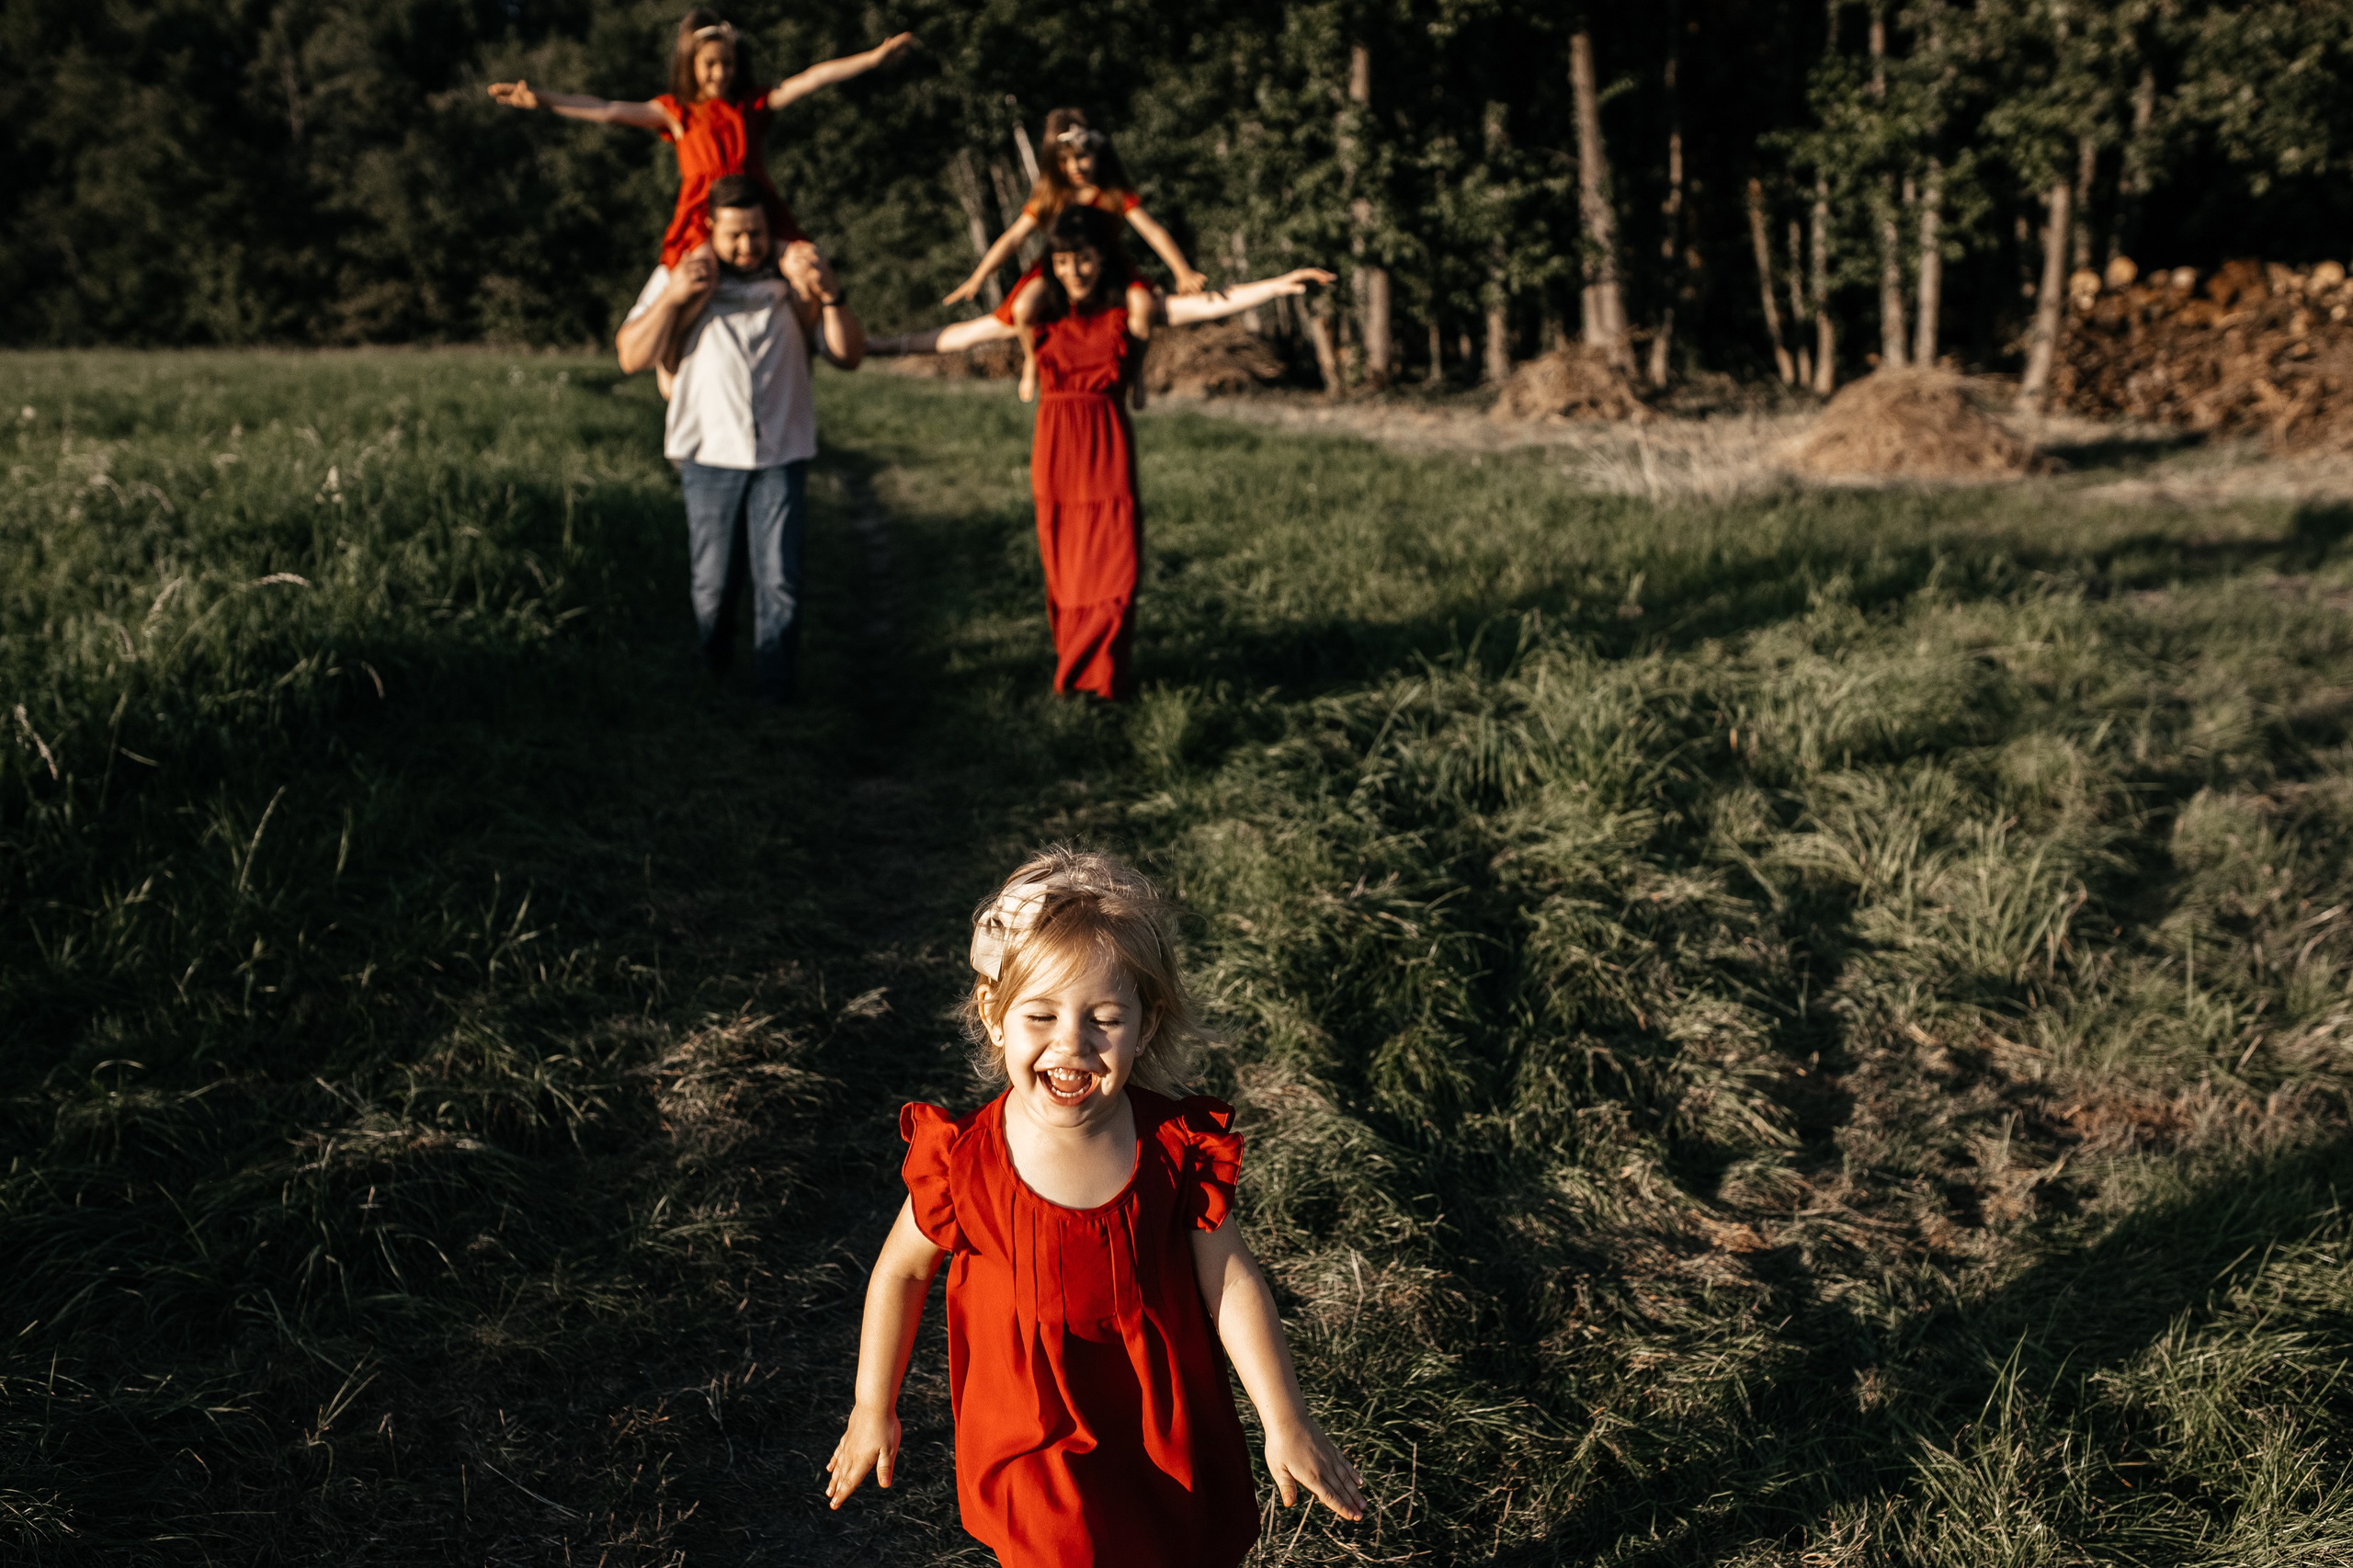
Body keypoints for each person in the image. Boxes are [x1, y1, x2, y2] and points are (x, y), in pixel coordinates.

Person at [824, 847, 1367, 1568]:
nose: (1070, 1044)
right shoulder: (965, 1163)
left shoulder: (1176, 1150)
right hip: (1034, 1438)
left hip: (1161, 1431)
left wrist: (1285, 1417)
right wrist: (872, 1406)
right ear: (995, 1016)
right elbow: (899, 1273)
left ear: (1145, 1025)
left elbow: (1230, 1281)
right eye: (1040, 1015)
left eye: (1104, 1018)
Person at [617, 175, 865, 704]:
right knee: (713, 581)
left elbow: (848, 355)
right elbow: (630, 356)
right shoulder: (681, 273)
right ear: (710, 228)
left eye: (756, 232)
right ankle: (715, 675)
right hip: (707, 454)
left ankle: (775, 692)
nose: (747, 246)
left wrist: (831, 291)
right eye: (734, 235)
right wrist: (675, 298)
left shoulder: (795, 273)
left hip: (781, 451)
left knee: (781, 578)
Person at [487, 10, 916, 270]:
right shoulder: (676, 113)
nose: (719, 73)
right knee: (695, 274)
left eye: (727, 64)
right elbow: (607, 109)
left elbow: (811, 79)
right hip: (703, 214)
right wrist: (544, 99)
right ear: (690, 66)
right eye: (710, 64)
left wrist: (872, 58)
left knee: (806, 262)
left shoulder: (753, 104)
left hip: (757, 210)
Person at [944, 108, 1207, 312]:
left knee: (1143, 305)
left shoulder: (1112, 195)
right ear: (1053, 162)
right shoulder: (1052, 197)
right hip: (1060, 272)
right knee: (1023, 308)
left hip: (1108, 270)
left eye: (1081, 156)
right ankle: (1031, 366)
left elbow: (1152, 231)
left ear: (1096, 155)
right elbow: (1014, 238)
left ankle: (1136, 375)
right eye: (1064, 160)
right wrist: (978, 277)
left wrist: (1182, 271)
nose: (1075, 167)